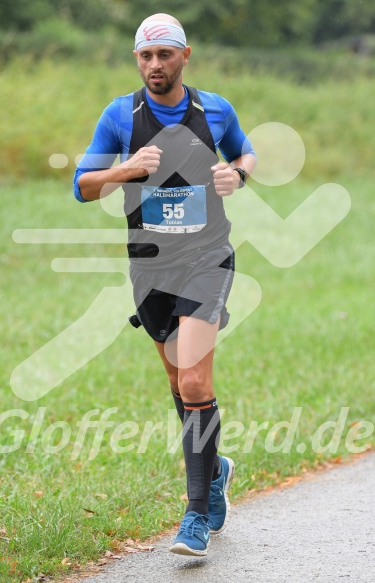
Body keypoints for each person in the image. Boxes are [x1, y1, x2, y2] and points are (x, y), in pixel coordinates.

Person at [73, 13, 256, 557]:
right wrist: (123, 171)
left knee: (197, 385)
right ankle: (215, 469)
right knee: (180, 388)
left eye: (165, 55)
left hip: (207, 259)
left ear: (185, 55)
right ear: (137, 60)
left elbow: (245, 151)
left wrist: (238, 174)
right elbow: (82, 186)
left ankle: (195, 515)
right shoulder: (120, 116)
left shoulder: (214, 110)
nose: (156, 65)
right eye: (146, 56)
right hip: (150, 268)